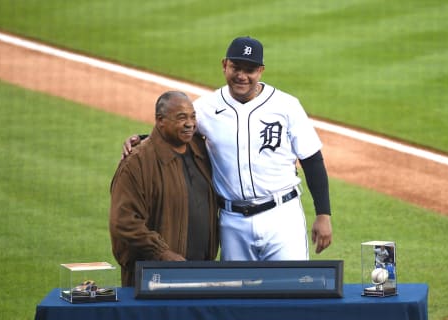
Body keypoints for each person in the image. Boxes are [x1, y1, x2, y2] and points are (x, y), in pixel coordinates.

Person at [123, 36, 332, 261]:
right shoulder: (205, 108)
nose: (242, 76)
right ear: (225, 65)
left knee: (293, 290)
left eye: (250, 69)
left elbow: (312, 160)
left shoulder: (287, 106)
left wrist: (323, 214)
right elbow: (177, 132)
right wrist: (142, 140)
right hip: (233, 223)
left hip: (282, 217)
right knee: (237, 293)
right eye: (236, 67)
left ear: (261, 71)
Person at [109, 91, 219, 286]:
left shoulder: (200, 150)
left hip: (200, 272)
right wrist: (162, 253)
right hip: (155, 278)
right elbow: (124, 222)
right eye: (181, 117)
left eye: (193, 117)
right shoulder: (137, 163)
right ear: (160, 121)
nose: (190, 124)